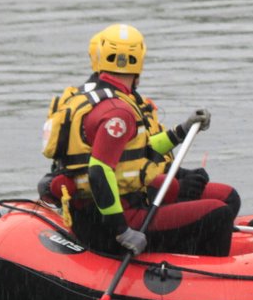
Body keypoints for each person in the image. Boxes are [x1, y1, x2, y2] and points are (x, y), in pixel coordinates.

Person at [39, 23, 241, 258]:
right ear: (140, 62)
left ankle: (171, 256)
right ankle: (208, 284)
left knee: (223, 198)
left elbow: (137, 153)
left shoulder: (88, 99)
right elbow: (98, 172)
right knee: (219, 213)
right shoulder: (118, 112)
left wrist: (182, 131)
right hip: (112, 222)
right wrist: (122, 231)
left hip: (91, 214)